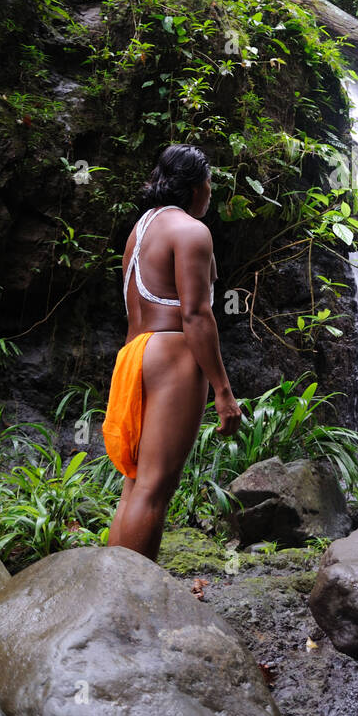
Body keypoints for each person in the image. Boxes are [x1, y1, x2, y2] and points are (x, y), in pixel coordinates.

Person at [102, 143, 242, 560]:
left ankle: (111, 592)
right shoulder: (192, 232)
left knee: (136, 486)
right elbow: (196, 315)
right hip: (173, 356)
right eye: (210, 183)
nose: (211, 191)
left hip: (134, 355)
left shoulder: (141, 229)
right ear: (197, 186)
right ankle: (133, 603)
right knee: (155, 489)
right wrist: (223, 391)